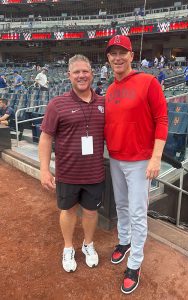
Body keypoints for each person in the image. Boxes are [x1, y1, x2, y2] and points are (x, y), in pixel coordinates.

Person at [105, 35, 168, 294]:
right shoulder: (109, 89)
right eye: (113, 53)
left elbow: (162, 119)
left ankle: (135, 264)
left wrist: (156, 156)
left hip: (141, 160)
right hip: (116, 158)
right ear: (108, 58)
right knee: (121, 205)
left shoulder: (148, 82)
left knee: (137, 212)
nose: (118, 57)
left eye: (123, 52)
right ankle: (124, 241)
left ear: (132, 56)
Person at [39, 54, 105, 273]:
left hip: (94, 172)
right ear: (69, 76)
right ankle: (68, 247)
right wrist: (44, 169)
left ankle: (88, 244)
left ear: (92, 73)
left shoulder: (103, 103)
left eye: (85, 71)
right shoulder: (57, 104)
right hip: (67, 173)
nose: (81, 75)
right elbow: (46, 138)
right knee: (67, 211)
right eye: (76, 72)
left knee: (91, 213)